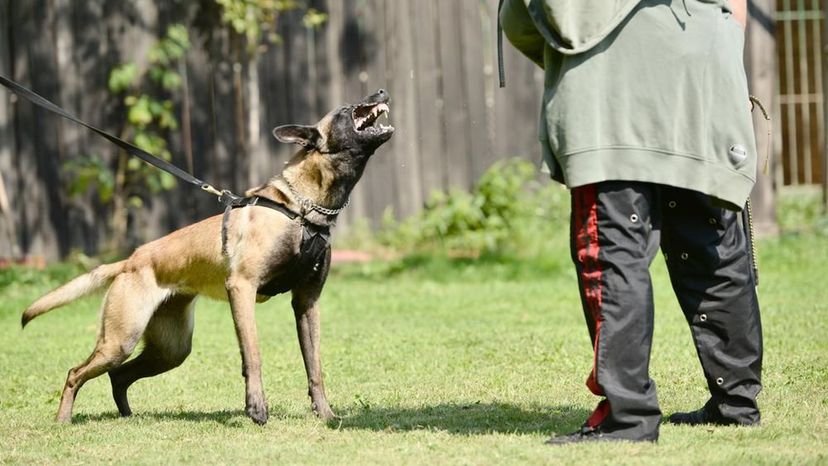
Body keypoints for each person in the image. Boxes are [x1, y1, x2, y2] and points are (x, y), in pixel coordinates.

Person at [499, 0, 763, 444]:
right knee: (711, 241)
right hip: (704, 64)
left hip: (608, 82)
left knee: (611, 246)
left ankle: (629, 417)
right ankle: (736, 404)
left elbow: (525, 22)